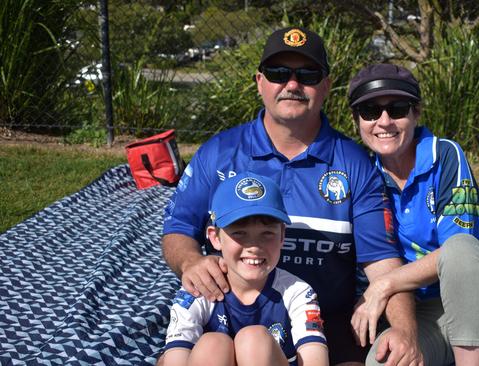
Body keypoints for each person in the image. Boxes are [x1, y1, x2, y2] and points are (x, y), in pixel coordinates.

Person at [161, 28, 421, 365]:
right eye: (278, 73)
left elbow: (383, 263)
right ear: (259, 81)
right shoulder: (219, 152)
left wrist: (406, 330)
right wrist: (190, 262)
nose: (292, 84)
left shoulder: (355, 164)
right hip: (226, 318)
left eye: (308, 74)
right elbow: (178, 226)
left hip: (326, 323)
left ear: (326, 85)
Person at [347, 63, 479, 366]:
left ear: (417, 113)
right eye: (370, 111)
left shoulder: (445, 156)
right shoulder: (358, 169)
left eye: (398, 108)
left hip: (472, 298)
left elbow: (461, 250)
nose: (383, 121)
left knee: (462, 249)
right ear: (356, 120)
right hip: (413, 310)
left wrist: (384, 284)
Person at [160, 172, 328, 366]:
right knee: (212, 344)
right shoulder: (199, 289)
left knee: (254, 340)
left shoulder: (298, 292)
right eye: (239, 233)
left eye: (267, 233)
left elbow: (316, 360)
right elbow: (175, 360)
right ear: (215, 237)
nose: (254, 246)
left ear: (282, 235)